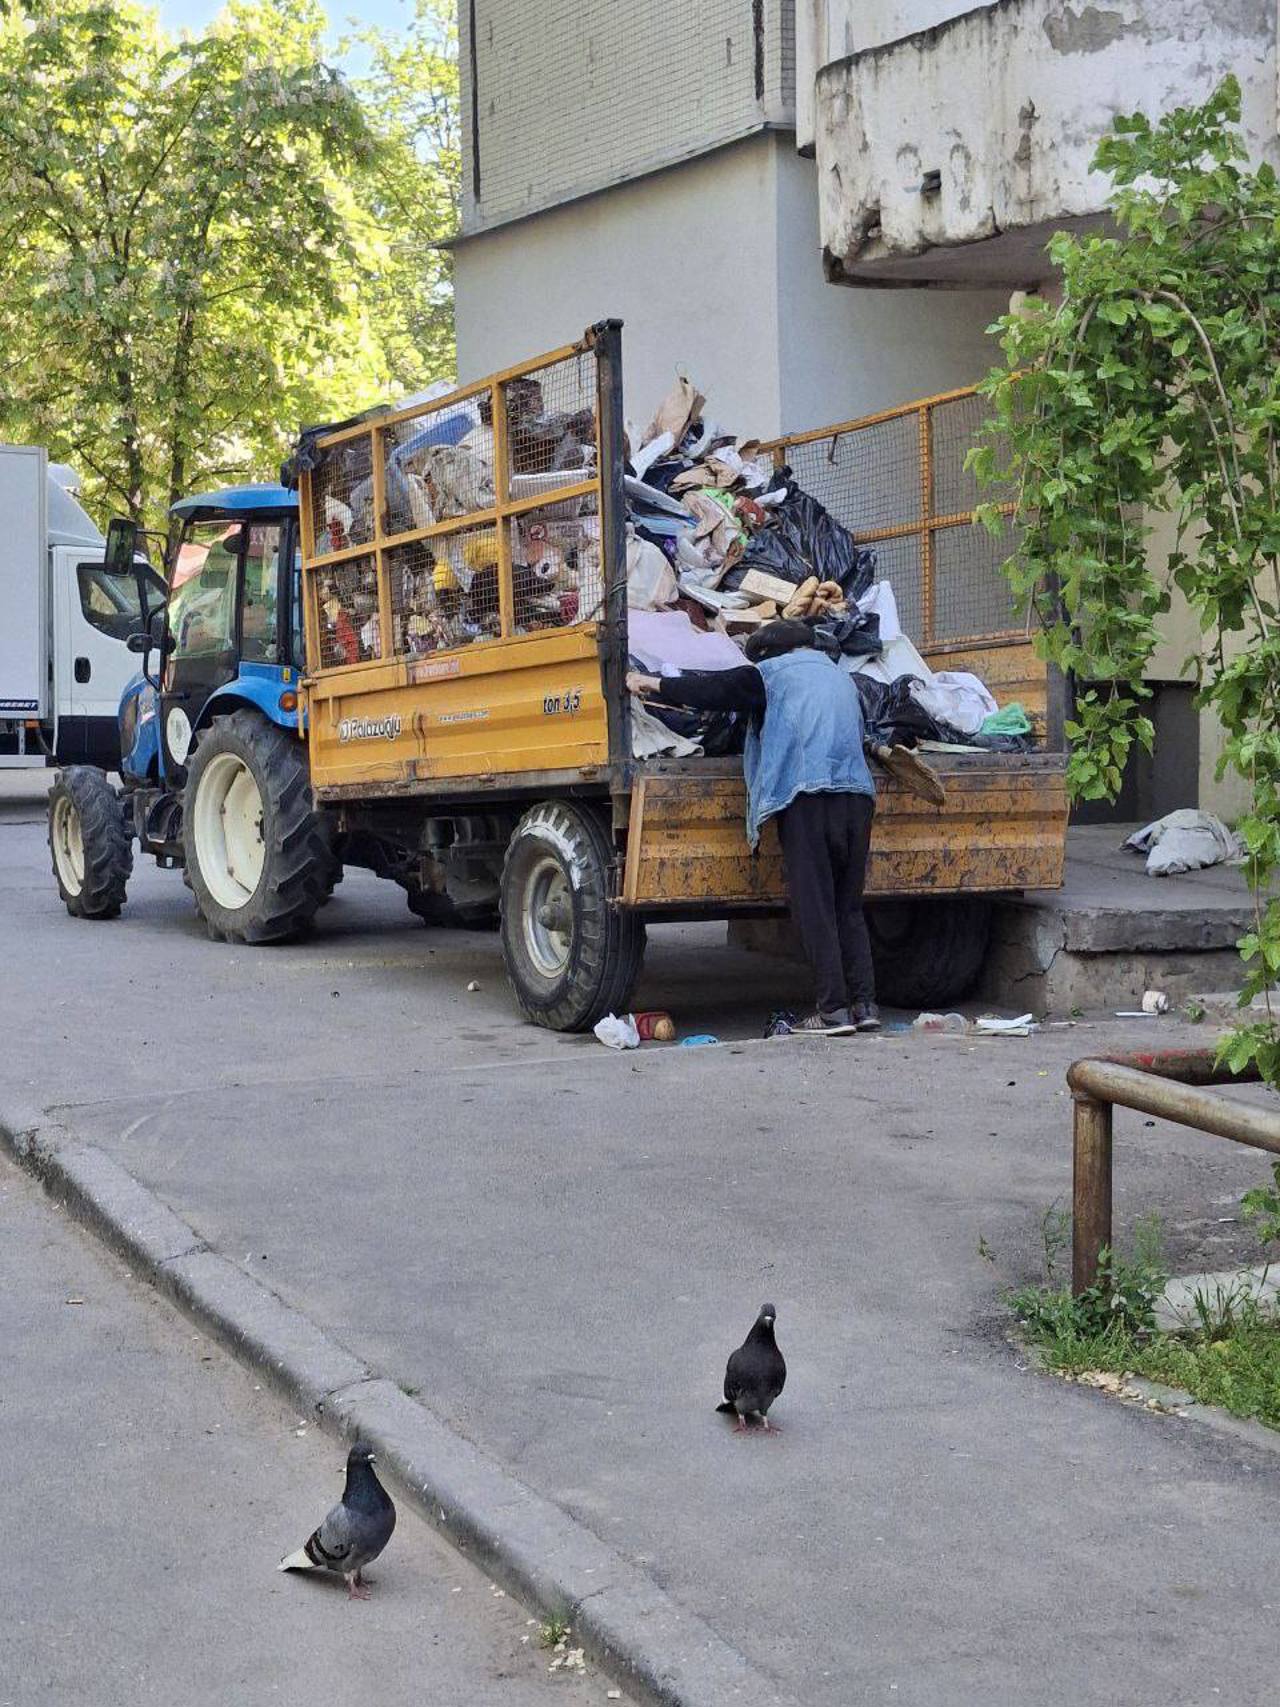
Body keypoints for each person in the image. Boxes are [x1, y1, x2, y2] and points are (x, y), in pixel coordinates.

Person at [626, 619, 879, 1037]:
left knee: (814, 907)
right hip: (857, 796)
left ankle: (832, 1010)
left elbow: (712, 691)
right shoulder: (840, 676)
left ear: (766, 654)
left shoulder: (769, 674)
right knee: (848, 907)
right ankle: (864, 1004)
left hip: (808, 794)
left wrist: (650, 684)